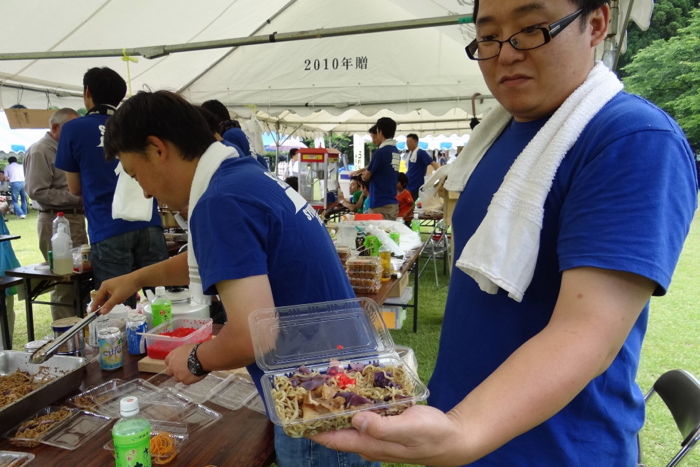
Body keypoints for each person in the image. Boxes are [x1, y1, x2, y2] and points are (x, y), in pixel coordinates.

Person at [312, 1, 698, 465]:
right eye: (490, 36)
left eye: (532, 29)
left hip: (555, 449)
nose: (506, 53)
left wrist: (462, 429)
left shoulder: (631, 138)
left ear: (596, 23)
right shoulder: (498, 136)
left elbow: (587, 331)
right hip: (473, 422)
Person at [93, 90, 376, 467]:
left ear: (157, 149)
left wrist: (195, 359)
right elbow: (231, 258)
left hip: (313, 395)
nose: (145, 190)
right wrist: (135, 278)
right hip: (339, 376)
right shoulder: (242, 177)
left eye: (136, 174)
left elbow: (251, 336)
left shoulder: (220, 202)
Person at [55, 67, 168, 305]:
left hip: (107, 226)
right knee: (160, 299)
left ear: (88, 92)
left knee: (116, 306)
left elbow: (74, 188)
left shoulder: (73, 129)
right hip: (149, 222)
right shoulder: (137, 124)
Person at [25, 107, 88, 319]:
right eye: (70, 128)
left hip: (75, 219)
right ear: (54, 127)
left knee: (80, 278)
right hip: (56, 221)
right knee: (64, 281)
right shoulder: (40, 150)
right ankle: (64, 333)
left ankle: (81, 327)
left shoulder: (67, 148)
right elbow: (37, 191)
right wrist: (77, 198)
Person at [354, 118, 400, 220]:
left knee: (376, 234)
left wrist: (362, 175)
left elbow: (366, 177)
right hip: (391, 201)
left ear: (379, 131)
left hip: (380, 204)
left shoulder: (380, 152)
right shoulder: (395, 151)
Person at [405, 133, 439, 200]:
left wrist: (441, 174)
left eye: (410, 142)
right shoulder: (410, 154)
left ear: (416, 142)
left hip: (416, 186)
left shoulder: (420, 152)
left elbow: (433, 163)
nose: (408, 144)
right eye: (407, 142)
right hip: (408, 185)